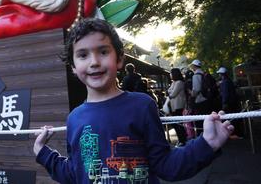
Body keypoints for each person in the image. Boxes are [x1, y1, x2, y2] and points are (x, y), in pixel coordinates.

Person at [34, 18, 234, 183]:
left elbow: (166, 166)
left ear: (119, 59)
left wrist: (207, 143)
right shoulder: (74, 118)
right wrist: (42, 152)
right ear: (74, 67)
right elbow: (75, 173)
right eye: (83, 55)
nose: (94, 62)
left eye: (103, 52)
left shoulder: (141, 105)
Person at [217, 67, 243, 138]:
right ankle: (237, 133)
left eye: (219, 74)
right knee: (234, 117)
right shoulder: (228, 81)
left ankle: (234, 133)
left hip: (229, 103)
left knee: (230, 118)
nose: (219, 75)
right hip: (233, 102)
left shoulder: (225, 82)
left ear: (221, 74)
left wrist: (224, 102)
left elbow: (225, 93)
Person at [167, 68, 187, 146]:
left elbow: (172, 94)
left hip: (178, 106)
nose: (170, 75)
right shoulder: (174, 82)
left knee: (178, 123)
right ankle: (181, 139)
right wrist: (169, 91)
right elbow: (169, 91)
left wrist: (169, 92)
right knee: (175, 123)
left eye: (171, 73)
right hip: (173, 106)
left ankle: (182, 140)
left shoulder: (179, 82)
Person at [190, 59, 210, 135]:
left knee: (199, 121)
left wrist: (192, 94)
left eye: (192, 66)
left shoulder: (196, 75)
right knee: (206, 119)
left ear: (194, 66)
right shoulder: (204, 74)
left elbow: (196, 89)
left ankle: (202, 136)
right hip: (207, 98)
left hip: (200, 100)